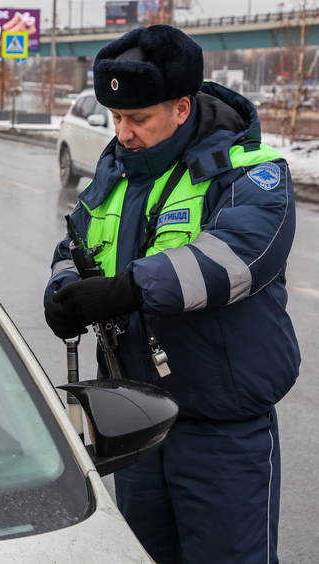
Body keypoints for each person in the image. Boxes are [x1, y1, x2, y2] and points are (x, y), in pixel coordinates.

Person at [43, 25, 299, 564]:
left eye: (138, 118)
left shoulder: (251, 173)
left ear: (182, 108)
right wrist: (64, 288)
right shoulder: (115, 173)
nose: (124, 133)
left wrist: (126, 290)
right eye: (116, 118)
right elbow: (77, 242)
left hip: (219, 427)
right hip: (136, 423)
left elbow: (232, 259)